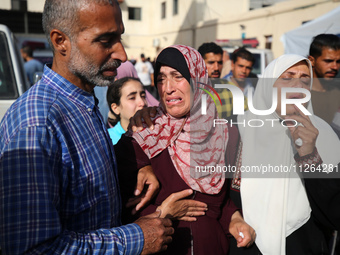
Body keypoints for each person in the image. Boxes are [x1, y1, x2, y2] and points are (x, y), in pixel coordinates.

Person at [0, 0, 174, 254]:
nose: (122, 54)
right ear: (61, 41)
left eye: (120, 37)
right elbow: (33, 249)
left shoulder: (83, 103)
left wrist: (137, 165)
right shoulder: (36, 124)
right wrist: (135, 239)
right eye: (105, 41)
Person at [115, 44, 255, 255]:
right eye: (161, 79)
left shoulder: (226, 134)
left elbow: (223, 198)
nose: (167, 87)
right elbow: (120, 207)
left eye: (177, 76)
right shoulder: (143, 135)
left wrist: (234, 218)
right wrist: (164, 212)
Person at [231, 54, 340, 254]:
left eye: (305, 80)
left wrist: (309, 154)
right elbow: (221, 198)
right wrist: (233, 217)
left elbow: (334, 214)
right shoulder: (239, 128)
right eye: (287, 77)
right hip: (245, 246)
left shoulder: (324, 134)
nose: (297, 85)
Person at [308, 33, 340, 125]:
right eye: (328, 61)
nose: (335, 66)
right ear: (312, 60)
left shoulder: (337, 92)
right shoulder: (298, 94)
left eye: (338, 61)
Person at [107, 77, 147, 145]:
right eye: (132, 98)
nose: (142, 103)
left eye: (143, 96)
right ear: (115, 108)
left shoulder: (157, 131)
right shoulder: (108, 139)